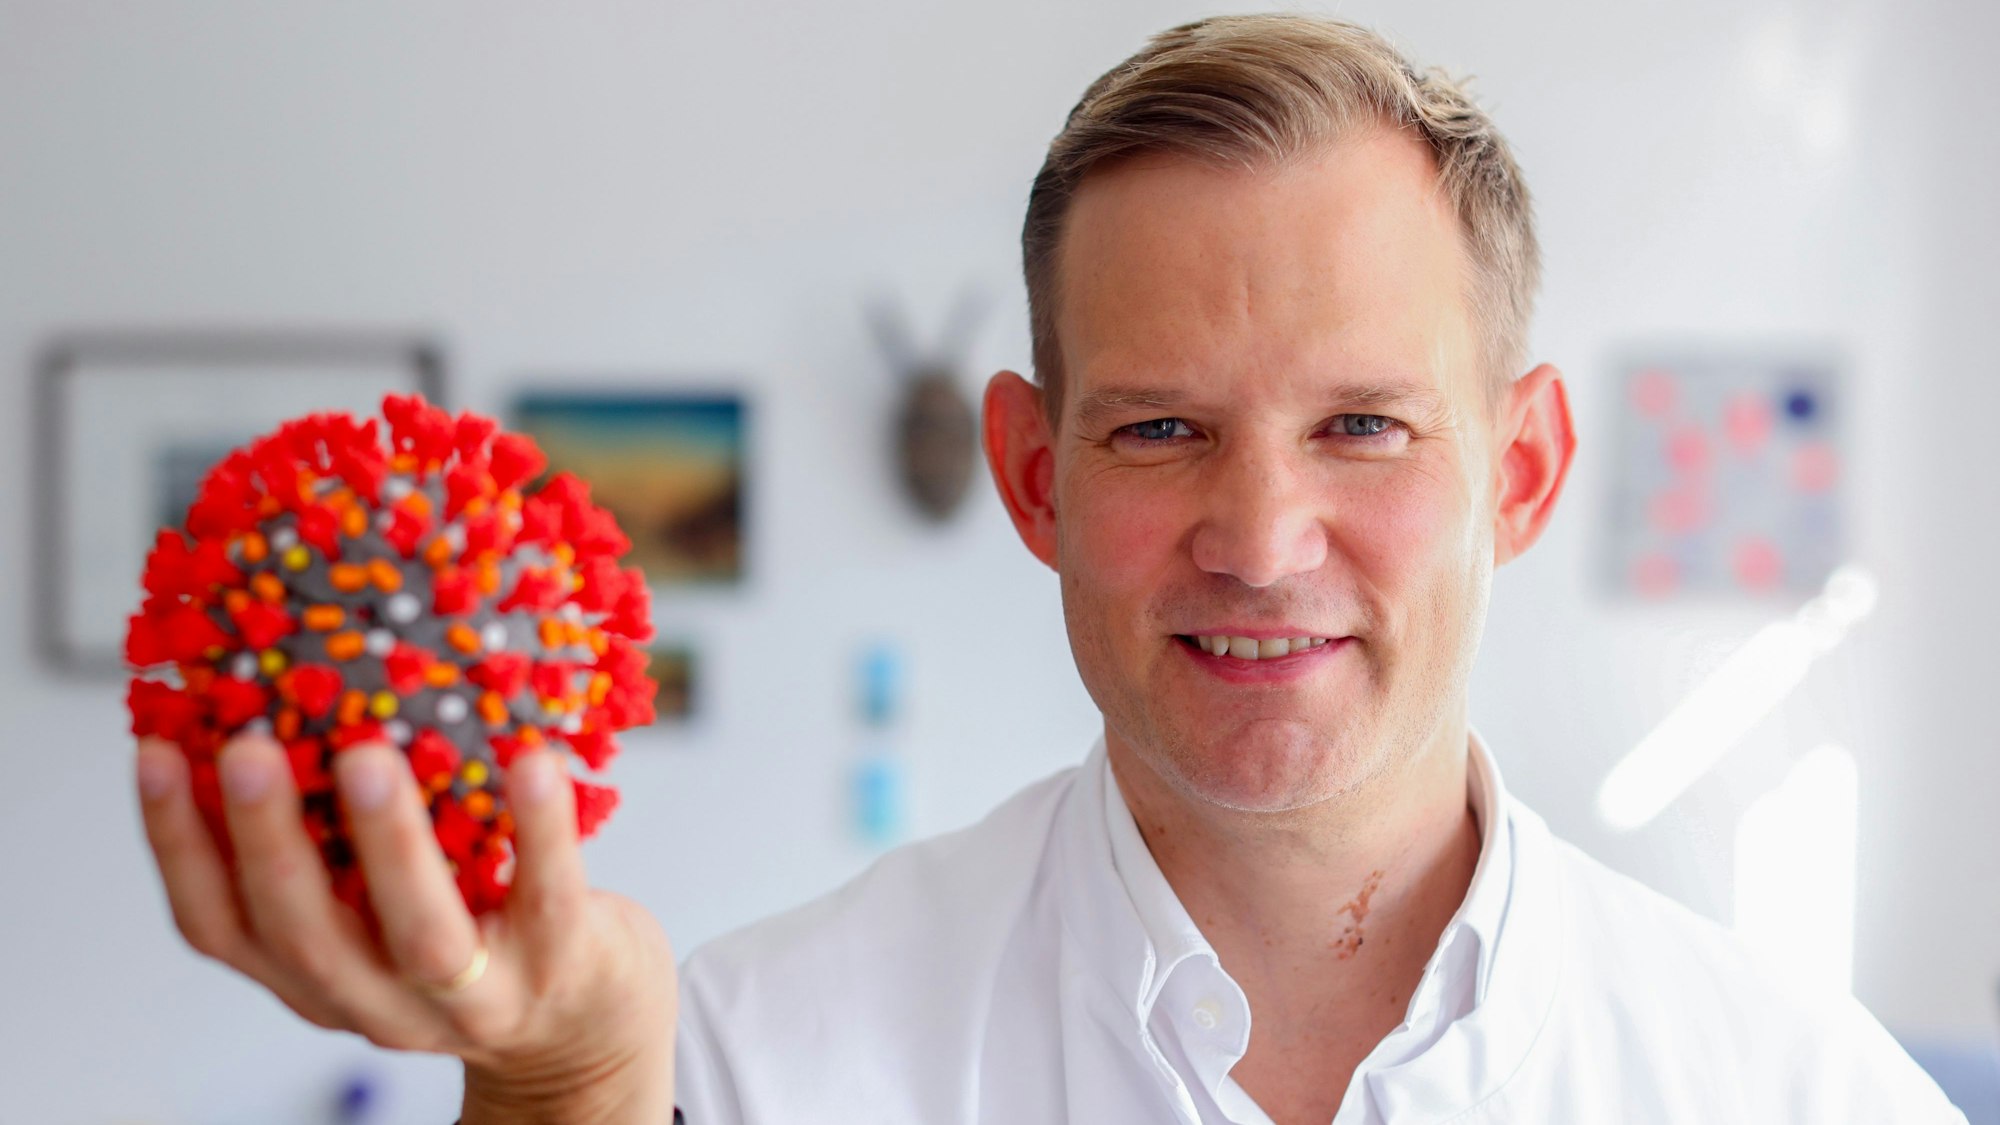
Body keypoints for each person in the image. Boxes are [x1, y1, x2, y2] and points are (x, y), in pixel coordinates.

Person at [133, 13, 1967, 1124]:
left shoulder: (1806, 1093)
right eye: (1161, 429)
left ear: (1529, 470)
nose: (1258, 542)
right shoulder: (749, 1061)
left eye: (1364, 428)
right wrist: (557, 1089)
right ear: (1031, 473)